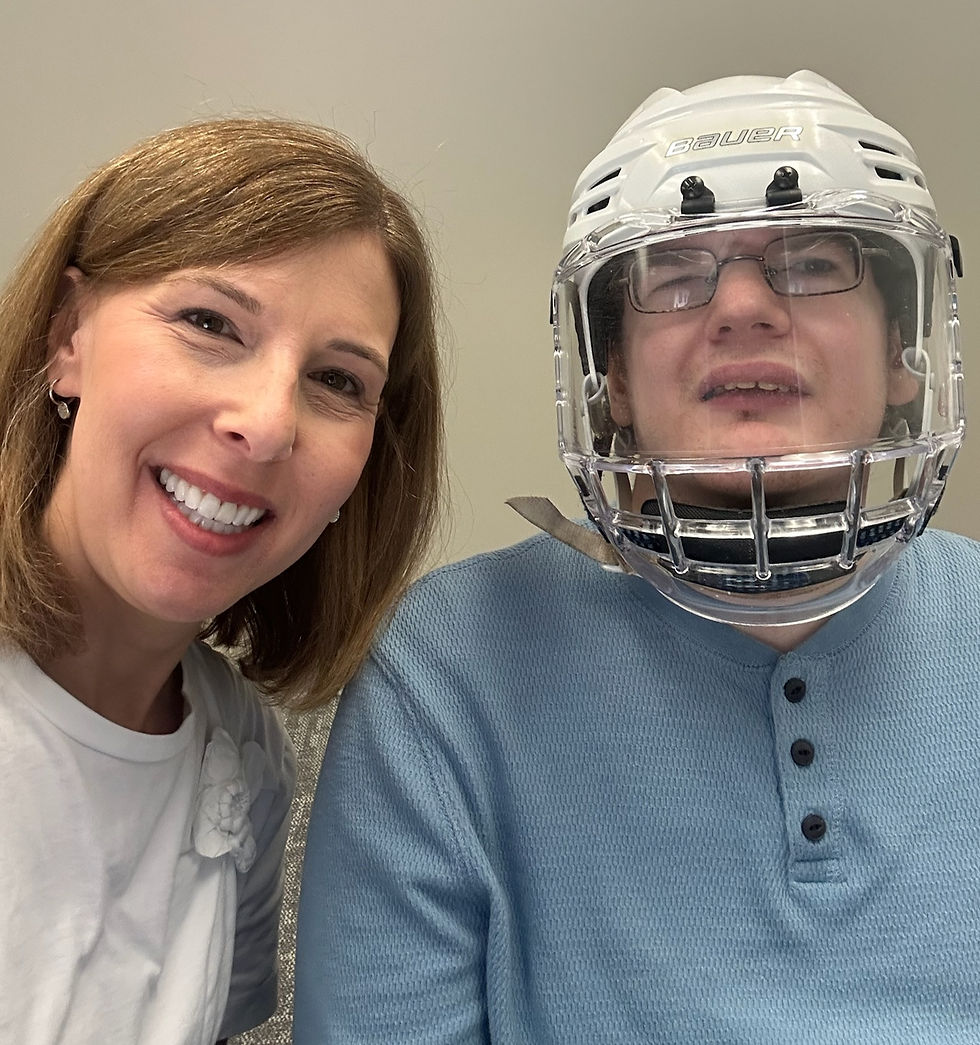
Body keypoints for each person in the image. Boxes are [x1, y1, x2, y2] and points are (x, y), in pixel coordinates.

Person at [293, 70, 978, 1043]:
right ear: (609, 377)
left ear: (903, 350)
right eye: (672, 273)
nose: (742, 306)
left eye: (811, 256)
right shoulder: (446, 668)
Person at [0, 116, 442, 1044]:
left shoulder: (243, 757)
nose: (269, 422)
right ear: (68, 336)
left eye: (336, 380)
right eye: (210, 324)